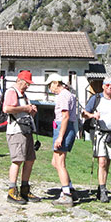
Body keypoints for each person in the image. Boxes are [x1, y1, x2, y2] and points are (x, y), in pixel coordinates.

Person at [2, 70, 41, 205]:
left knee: (29, 160)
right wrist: (25, 108)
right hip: (16, 131)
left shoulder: (24, 95)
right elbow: (6, 109)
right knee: (17, 160)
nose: (28, 86)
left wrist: (32, 112)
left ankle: (25, 189)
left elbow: (24, 112)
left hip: (26, 130)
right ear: (20, 81)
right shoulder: (11, 92)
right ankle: (12, 191)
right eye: (26, 83)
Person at [45, 73, 78, 207]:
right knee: (55, 162)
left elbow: (65, 116)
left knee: (60, 162)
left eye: (50, 85)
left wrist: (60, 136)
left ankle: (66, 195)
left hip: (63, 128)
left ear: (55, 83)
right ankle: (70, 189)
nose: (49, 88)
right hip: (63, 127)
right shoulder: (67, 94)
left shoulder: (63, 95)